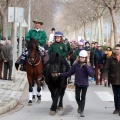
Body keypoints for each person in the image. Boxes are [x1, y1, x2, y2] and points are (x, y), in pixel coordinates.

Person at [58, 50, 94, 117]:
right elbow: (69, 73)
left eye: (83, 57)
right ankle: (80, 106)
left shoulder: (88, 65)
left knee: (83, 97)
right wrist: (60, 74)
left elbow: (91, 74)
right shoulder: (76, 65)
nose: (82, 58)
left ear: (86, 58)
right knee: (77, 97)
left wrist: (85, 66)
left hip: (84, 84)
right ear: (79, 57)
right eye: (81, 57)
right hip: (77, 83)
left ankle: (82, 111)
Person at [103, 44, 120, 116]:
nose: (116, 50)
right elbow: (106, 69)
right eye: (115, 49)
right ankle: (117, 108)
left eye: (118, 49)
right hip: (113, 79)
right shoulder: (110, 58)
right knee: (116, 95)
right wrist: (106, 78)